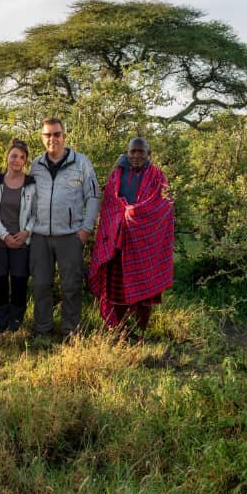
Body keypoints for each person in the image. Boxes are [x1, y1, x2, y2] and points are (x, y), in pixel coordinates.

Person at [88, 137, 175, 342]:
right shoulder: (117, 175)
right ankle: (117, 331)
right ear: (127, 153)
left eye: (140, 152)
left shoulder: (157, 176)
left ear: (148, 153)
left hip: (144, 247)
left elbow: (165, 205)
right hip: (117, 243)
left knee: (143, 291)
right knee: (115, 288)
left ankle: (138, 331)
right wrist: (122, 214)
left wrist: (134, 213)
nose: (136, 156)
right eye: (132, 152)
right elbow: (110, 204)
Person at [29, 117, 100, 339]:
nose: (53, 139)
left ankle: (71, 332)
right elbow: (29, 199)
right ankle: (43, 330)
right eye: (48, 135)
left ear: (64, 136)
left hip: (71, 236)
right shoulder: (35, 165)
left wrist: (85, 230)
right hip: (40, 236)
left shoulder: (81, 163)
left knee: (71, 286)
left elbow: (94, 196)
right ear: (42, 138)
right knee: (41, 285)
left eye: (57, 134)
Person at [0, 138, 36, 333]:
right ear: (7, 157)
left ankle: (16, 321)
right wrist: (5, 235)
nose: (17, 160)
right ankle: (1, 321)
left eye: (21, 157)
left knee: (19, 282)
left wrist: (26, 232)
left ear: (25, 162)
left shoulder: (31, 184)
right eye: (14, 155)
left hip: (22, 242)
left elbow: (36, 214)